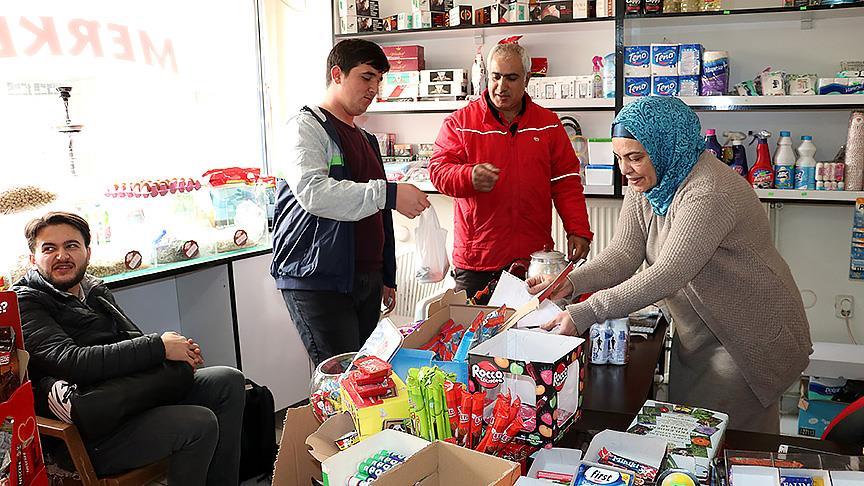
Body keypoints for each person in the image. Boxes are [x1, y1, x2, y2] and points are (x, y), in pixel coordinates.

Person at [527, 96, 812, 433]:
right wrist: (570, 282)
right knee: (691, 430)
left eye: (635, 158)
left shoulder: (708, 192)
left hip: (746, 334)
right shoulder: (651, 180)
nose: (625, 169)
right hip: (702, 329)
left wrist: (584, 313)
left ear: (667, 146)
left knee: (733, 443)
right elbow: (623, 254)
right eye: (619, 158)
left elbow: (668, 273)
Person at [13, 212, 245, 485]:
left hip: (125, 399)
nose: (62, 255)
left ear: (87, 252)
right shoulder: (26, 301)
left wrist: (176, 349)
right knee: (198, 423)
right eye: (49, 248)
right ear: (33, 258)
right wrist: (159, 346)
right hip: (91, 433)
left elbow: (130, 339)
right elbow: (71, 361)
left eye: (71, 246)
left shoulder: (93, 289)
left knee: (228, 380)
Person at [270, 38, 430, 366]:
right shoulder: (306, 127)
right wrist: (390, 193)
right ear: (337, 74)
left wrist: (386, 274)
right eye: (366, 77)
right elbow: (315, 193)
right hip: (318, 276)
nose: (374, 88)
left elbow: (378, 212)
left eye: (379, 80)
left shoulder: (366, 139)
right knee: (339, 377)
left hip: (364, 278)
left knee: (363, 373)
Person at [429, 42, 592, 299]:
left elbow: (566, 182)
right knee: (474, 337)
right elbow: (438, 171)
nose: (501, 86)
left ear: (527, 79)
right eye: (495, 77)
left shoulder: (548, 125)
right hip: (476, 260)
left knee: (531, 332)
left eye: (511, 78)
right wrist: (468, 176)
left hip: (532, 258)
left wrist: (578, 230)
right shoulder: (460, 123)